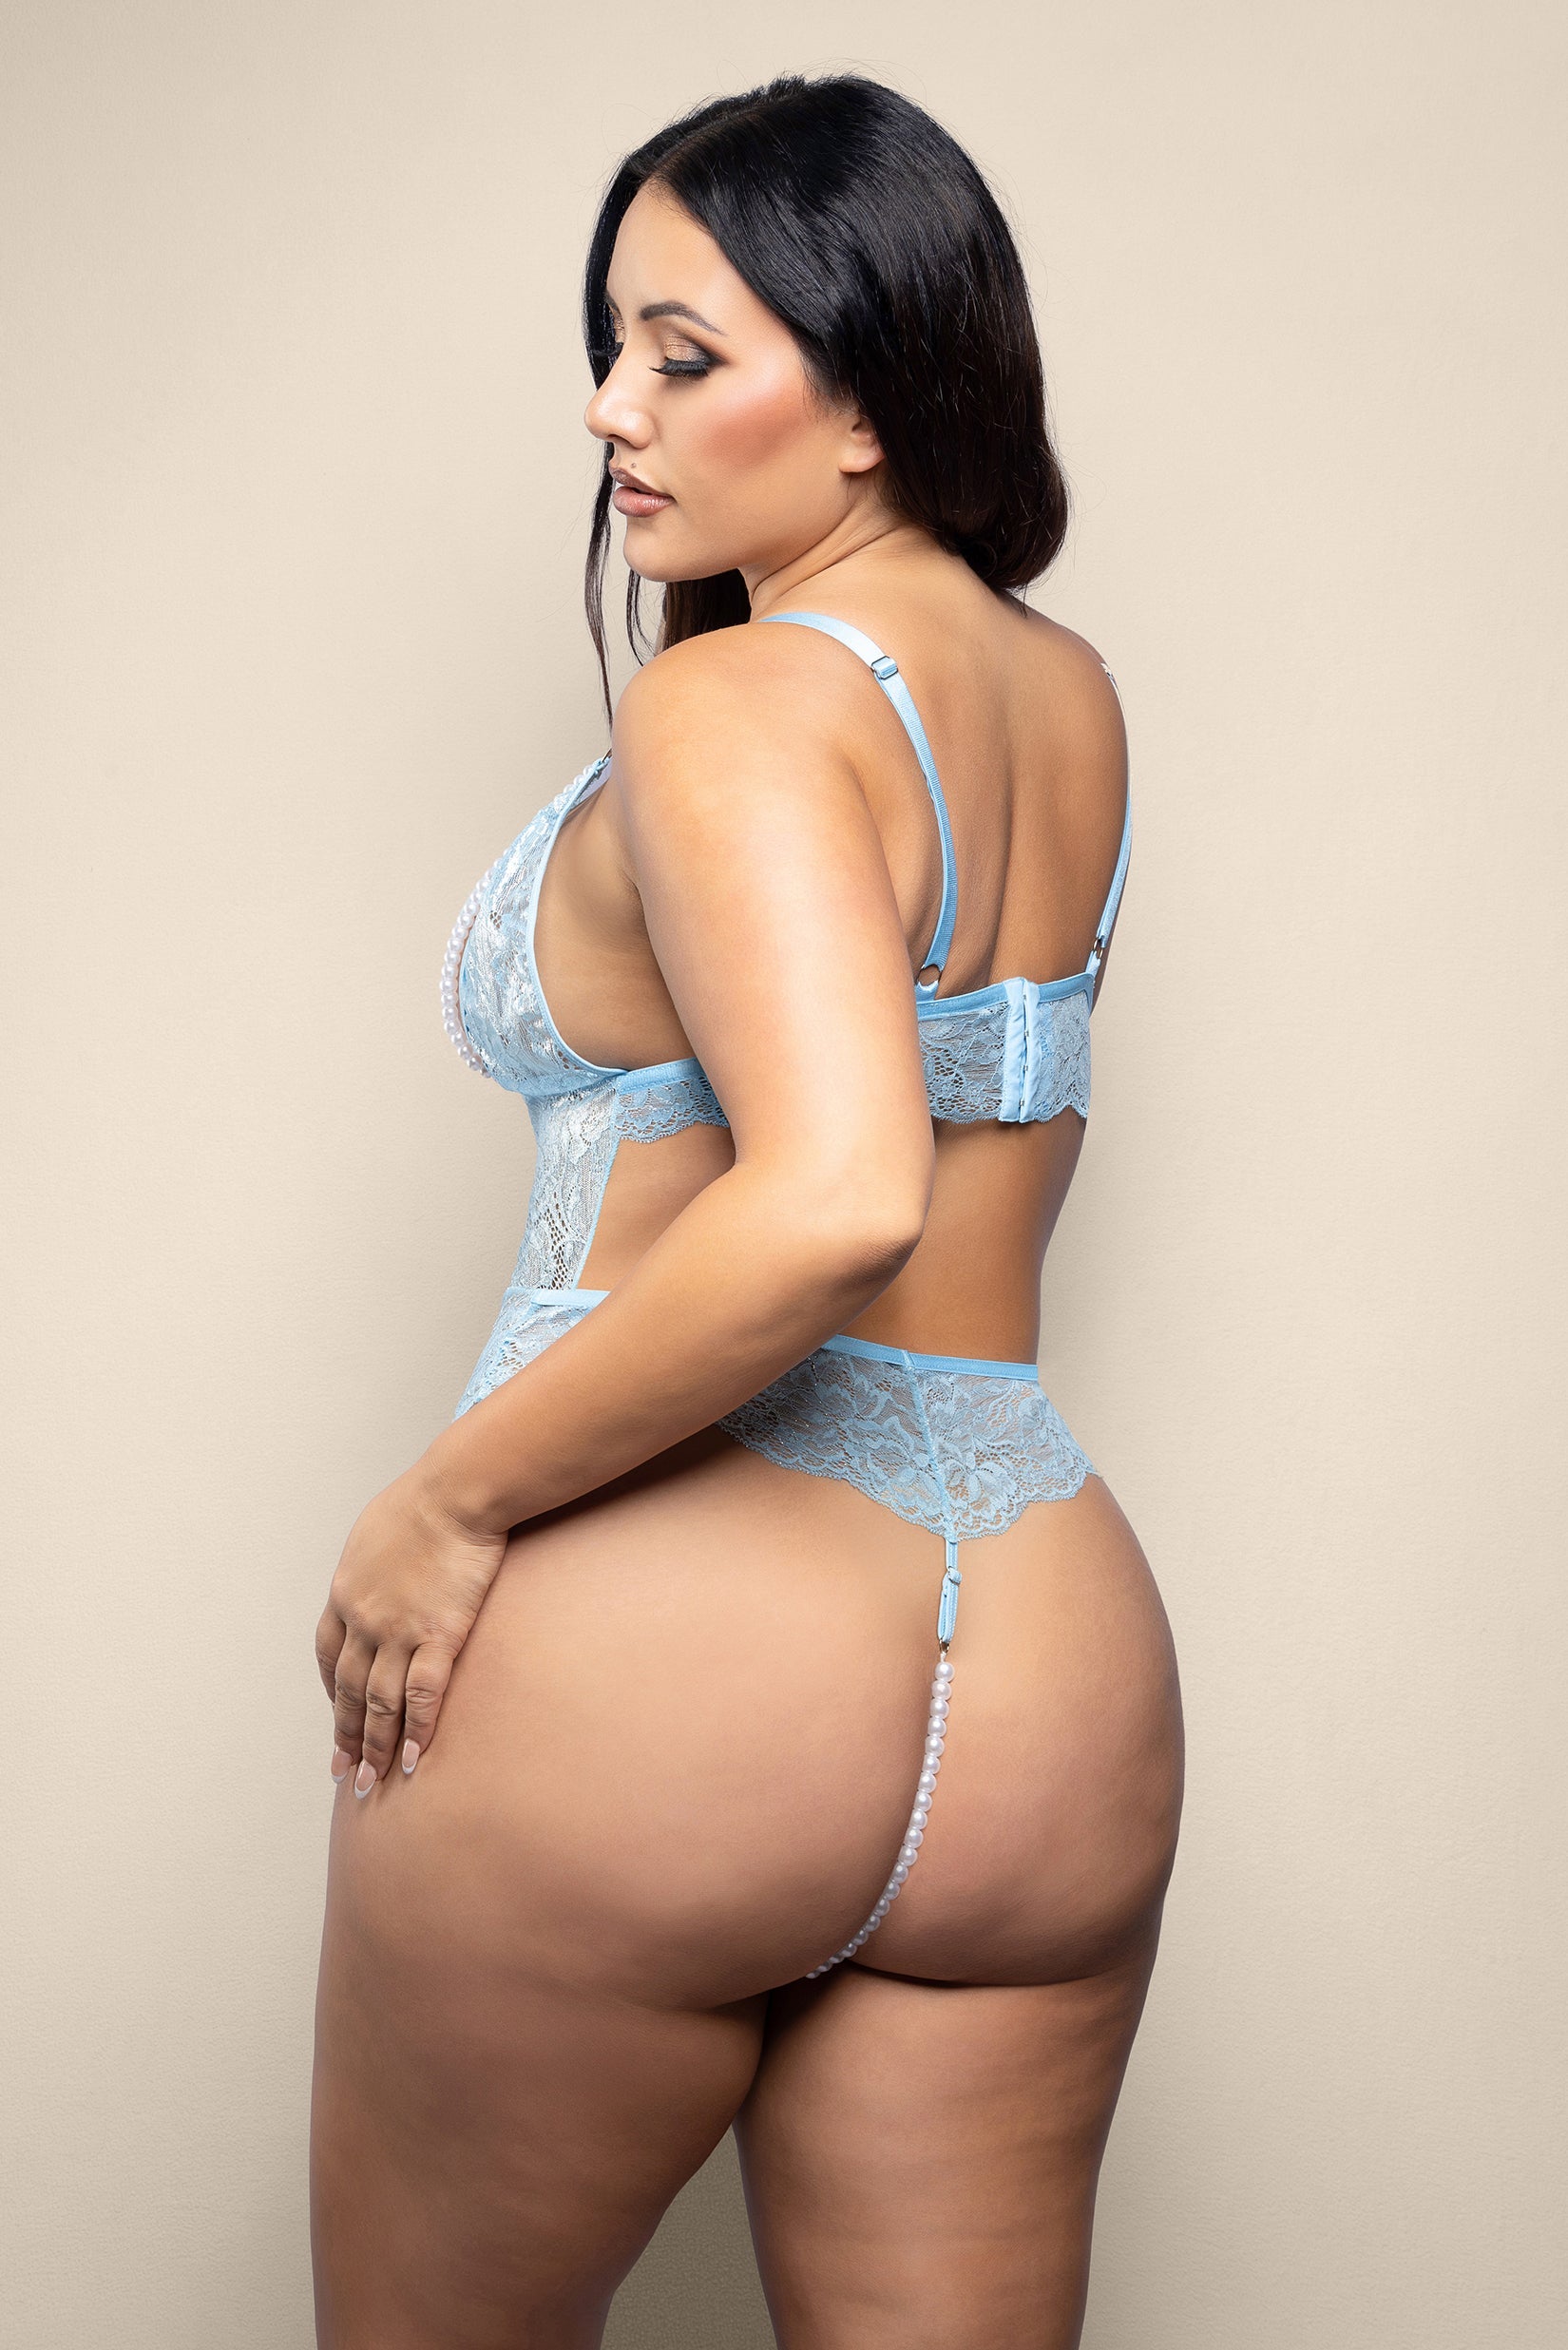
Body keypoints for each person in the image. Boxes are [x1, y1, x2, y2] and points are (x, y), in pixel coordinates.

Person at [310, 72, 1183, 2350]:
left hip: (674, 1668)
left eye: (686, 356)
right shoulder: (1065, 694)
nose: (614, 409)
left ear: (877, 393)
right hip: (1047, 1675)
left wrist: (445, 1503)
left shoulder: (739, 707)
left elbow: (836, 1194)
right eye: (615, 345)